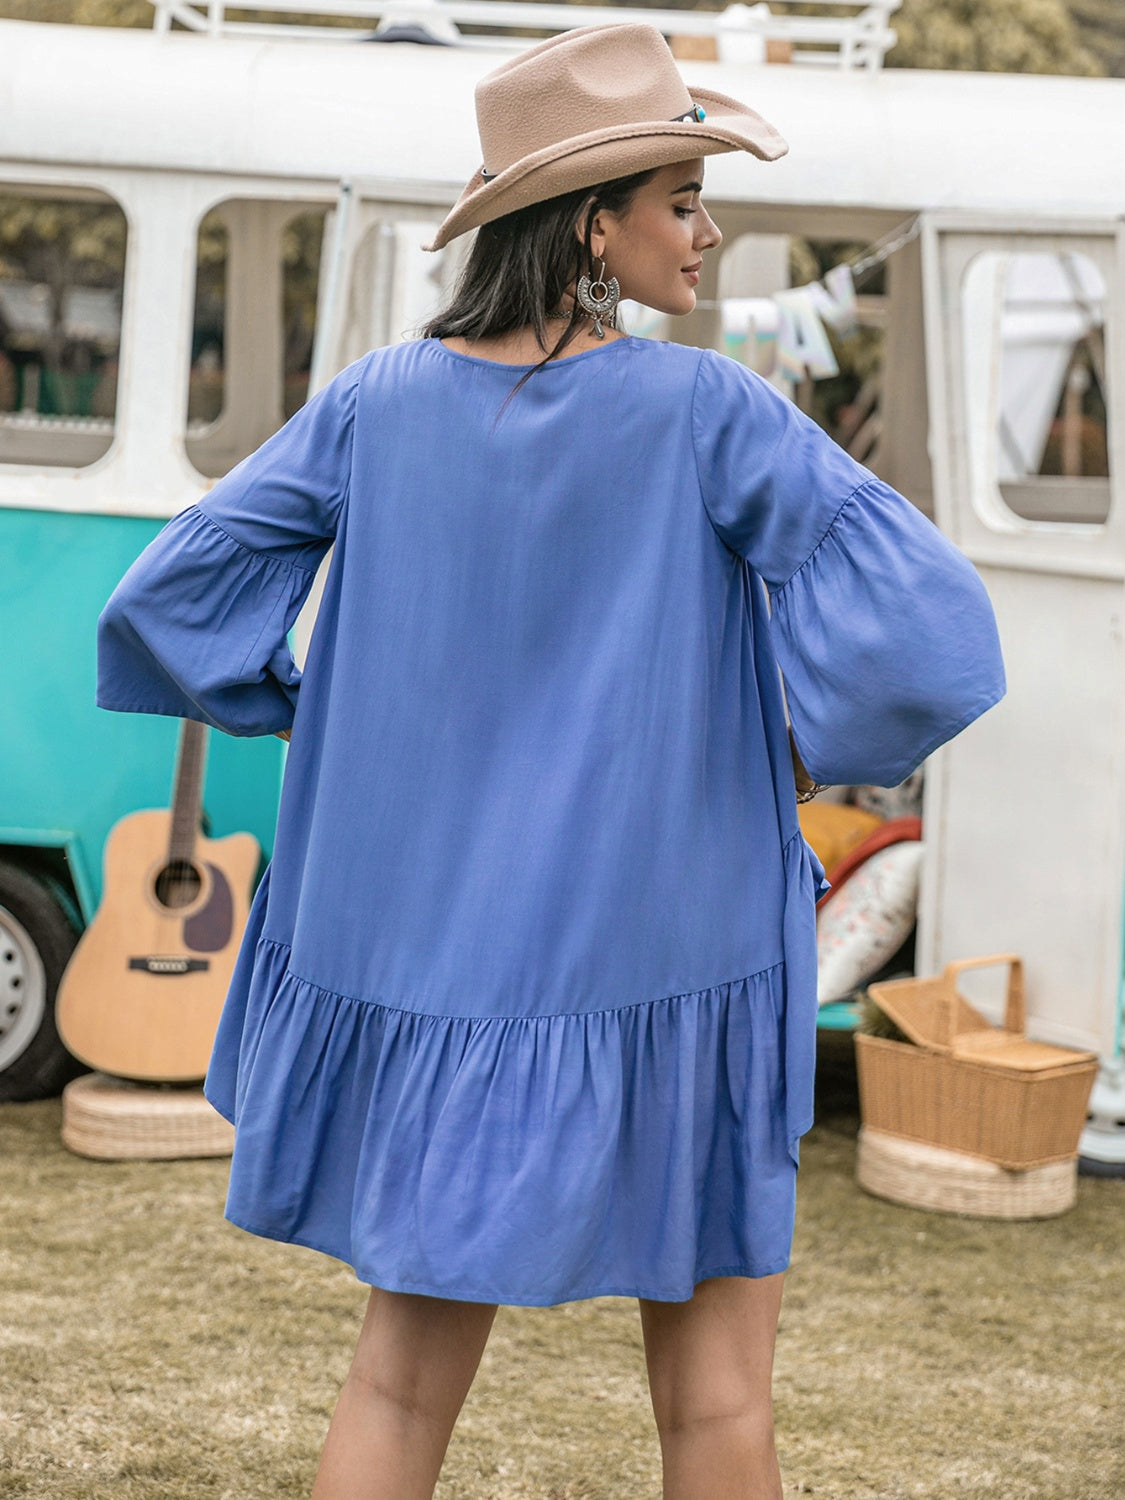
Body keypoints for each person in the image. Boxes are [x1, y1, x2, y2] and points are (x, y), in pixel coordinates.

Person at [96, 23, 1004, 1500]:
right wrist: (781, 737)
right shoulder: (709, 414)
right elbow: (936, 637)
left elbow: (171, 604)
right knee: (714, 1413)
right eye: (682, 199)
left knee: (393, 1395)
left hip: (442, 967)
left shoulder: (377, 405)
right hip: (675, 961)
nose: (707, 233)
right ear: (596, 224)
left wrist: (317, 707)